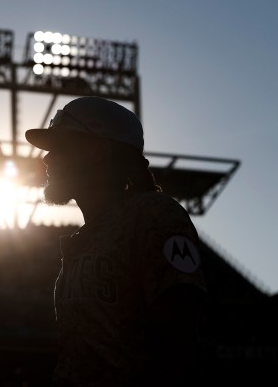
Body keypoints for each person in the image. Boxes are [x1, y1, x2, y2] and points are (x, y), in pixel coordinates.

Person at [25, 97, 206, 387]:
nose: (46, 158)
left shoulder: (153, 214)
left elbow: (180, 335)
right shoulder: (85, 237)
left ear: (98, 150)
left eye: (60, 145)